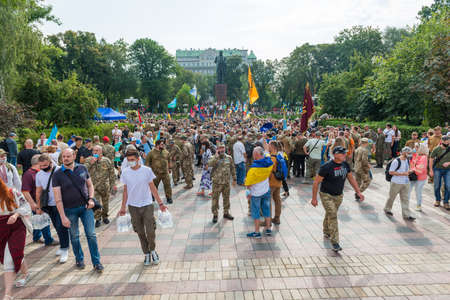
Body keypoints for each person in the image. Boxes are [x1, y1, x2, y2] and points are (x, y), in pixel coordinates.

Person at [52, 148, 104, 273]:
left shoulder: (82, 168)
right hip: (69, 210)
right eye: (64, 156)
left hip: (86, 208)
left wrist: (91, 199)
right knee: (74, 236)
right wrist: (63, 217)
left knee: (91, 235)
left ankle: (96, 262)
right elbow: (57, 199)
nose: (65, 158)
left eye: (68, 156)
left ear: (74, 156)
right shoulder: (57, 174)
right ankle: (79, 259)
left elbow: (90, 185)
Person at [118, 148, 168, 266]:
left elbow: (152, 187)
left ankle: (153, 250)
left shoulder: (147, 170)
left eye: (133, 160)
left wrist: (160, 203)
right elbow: (125, 191)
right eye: (128, 160)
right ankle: (146, 253)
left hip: (146, 204)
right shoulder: (125, 172)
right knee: (140, 231)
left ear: (138, 159)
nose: (131, 162)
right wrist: (122, 207)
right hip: (133, 206)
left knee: (150, 231)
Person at [311, 146, 364, 252]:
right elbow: (316, 182)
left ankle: (326, 230)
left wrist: (358, 191)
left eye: (345, 153)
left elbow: (351, 178)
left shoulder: (345, 165)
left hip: (339, 195)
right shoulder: (326, 167)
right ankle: (335, 242)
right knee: (333, 215)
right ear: (335, 155)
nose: (345, 155)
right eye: (343, 153)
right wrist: (314, 198)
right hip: (326, 195)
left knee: (330, 213)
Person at [0, 178, 31, 299]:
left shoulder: (12, 192)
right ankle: (25, 273)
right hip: (1, 230)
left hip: (16, 227)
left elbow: (26, 206)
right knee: (14, 253)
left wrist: (16, 214)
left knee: (9, 260)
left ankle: (7, 294)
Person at [36, 154, 70, 264]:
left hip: (62, 203)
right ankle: (63, 245)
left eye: (45, 165)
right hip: (49, 205)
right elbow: (39, 191)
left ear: (51, 163)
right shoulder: (39, 175)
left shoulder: (60, 170)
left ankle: (65, 249)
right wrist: (38, 206)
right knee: (56, 226)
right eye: (40, 166)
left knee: (61, 226)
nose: (43, 168)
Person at [21, 155, 57, 246]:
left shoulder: (39, 172)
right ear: (37, 163)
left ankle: (36, 237)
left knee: (38, 220)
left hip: (42, 201)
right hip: (37, 202)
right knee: (44, 221)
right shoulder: (28, 174)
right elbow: (25, 191)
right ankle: (48, 239)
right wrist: (33, 204)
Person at [245, 146, 273, 238]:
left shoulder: (253, 169)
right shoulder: (269, 163)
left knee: (256, 212)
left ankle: (257, 232)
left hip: (256, 193)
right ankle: (268, 229)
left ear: (256, 155)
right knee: (266, 210)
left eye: (253, 153)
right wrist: (266, 150)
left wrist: (248, 193)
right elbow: (268, 155)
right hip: (266, 191)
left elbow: (248, 183)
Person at [85, 145, 116, 227]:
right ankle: (97, 219)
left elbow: (112, 174)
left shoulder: (106, 161)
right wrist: (91, 163)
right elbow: (83, 170)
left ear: (101, 152)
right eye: (94, 150)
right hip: (93, 187)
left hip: (104, 186)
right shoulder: (88, 160)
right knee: (96, 203)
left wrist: (113, 185)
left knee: (106, 203)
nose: (95, 152)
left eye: (97, 150)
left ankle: (105, 216)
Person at [384, 147, 416, 221]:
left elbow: (407, 170)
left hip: (406, 182)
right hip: (396, 182)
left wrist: (411, 171)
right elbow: (391, 172)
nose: (410, 155)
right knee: (391, 197)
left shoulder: (407, 160)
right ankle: (387, 208)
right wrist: (402, 174)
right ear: (404, 153)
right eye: (409, 153)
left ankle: (406, 215)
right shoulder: (396, 161)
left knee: (405, 199)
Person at [208, 143, 236, 223]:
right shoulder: (213, 157)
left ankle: (226, 213)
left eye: (223, 148)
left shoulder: (229, 158)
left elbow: (232, 168)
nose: (222, 149)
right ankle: (215, 214)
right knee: (215, 199)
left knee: (226, 198)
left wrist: (234, 179)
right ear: (217, 149)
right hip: (217, 183)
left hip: (226, 183)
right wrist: (216, 156)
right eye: (220, 148)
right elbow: (209, 164)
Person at [145, 139, 172, 204]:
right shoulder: (151, 153)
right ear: (157, 145)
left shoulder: (166, 152)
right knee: (154, 186)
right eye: (162, 144)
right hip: (155, 173)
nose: (163, 145)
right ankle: (152, 196)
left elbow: (169, 160)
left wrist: (170, 168)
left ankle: (169, 198)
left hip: (165, 173)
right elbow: (147, 163)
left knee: (167, 185)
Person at [429, 135, 450, 209]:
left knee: (448, 186)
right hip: (437, 169)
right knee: (437, 185)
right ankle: (437, 200)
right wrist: (431, 170)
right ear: (442, 141)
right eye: (445, 141)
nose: (447, 143)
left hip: (448, 170)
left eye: (448, 141)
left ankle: (446, 202)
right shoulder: (436, 149)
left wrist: (448, 163)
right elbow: (431, 159)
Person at [409, 144, 429, 211]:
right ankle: (406, 204)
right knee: (408, 190)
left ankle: (418, 205)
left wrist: (413, 169)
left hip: (420, 177)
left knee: (418, 192)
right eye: (415, 147)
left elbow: (421, 167)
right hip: (412, 176)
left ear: (421, 148)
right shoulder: (415, 155)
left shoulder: (424, 157)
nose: (415, 148)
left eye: (417, 147)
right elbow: (411, 164)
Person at [268, 141, 283, 225]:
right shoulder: (279, 155)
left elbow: (269, 170)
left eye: (269, 146)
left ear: (272, 147)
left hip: (272, 181)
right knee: (277, 199)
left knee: (268, 200)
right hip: (278, 180)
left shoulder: (272, 158)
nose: (268, 147)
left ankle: (268, 220)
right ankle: (277, 218)